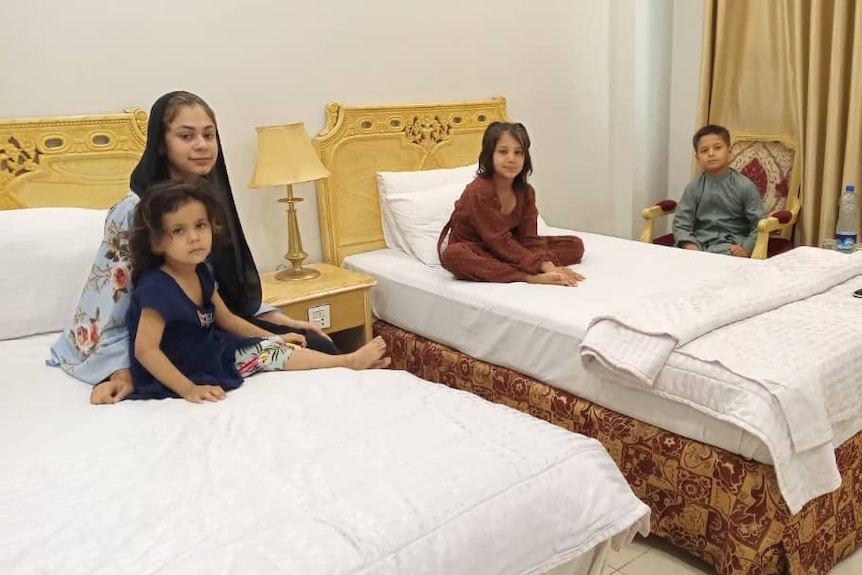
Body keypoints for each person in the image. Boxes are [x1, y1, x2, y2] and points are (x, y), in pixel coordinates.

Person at [48, 91, 338, 405]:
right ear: (161, 142)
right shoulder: (135, 211)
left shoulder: (207, 199)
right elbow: (107, 306)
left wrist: (279, 320)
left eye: (209, 135)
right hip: (168, 339)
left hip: (211, 323)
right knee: (309, 350)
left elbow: (221, 287)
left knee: (316, 341)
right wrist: (120, 370)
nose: (201, 144)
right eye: (186, 136)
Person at [126, 177, 390, 402]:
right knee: (273, 355)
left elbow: (227, 319)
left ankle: (347, 363)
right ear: (157, 242)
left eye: (200, 225)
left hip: (210, 351)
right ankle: (347, 363)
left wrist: (273, 337)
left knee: (284, 347)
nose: (194, 236)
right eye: (179, 230)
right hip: (182, 367)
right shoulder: (157, 287)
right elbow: (145, 350)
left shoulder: (201, 271)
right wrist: (189, 389)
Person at [438, 121, 585, 286]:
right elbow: (497, 241)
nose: (511, 159)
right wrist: (543, 269)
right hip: (477, 248)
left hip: (511, 245)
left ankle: (514, 262)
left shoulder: (526, 192)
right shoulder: (479, 191)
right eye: (503, 152)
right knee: (453, 256)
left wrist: (547, 264)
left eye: (518, 153)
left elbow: (530, 238)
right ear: (489, 155)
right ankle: (526, 276)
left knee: (574, 245)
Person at [673, 124, 766, 256]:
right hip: (699, 245)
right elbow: (681, 224)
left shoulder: (745, 186)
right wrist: (690, 246)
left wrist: (746, 249)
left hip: (732, 246)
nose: (711, 154)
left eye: (717, 148)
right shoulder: (693, 188)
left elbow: (759, 224)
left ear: (729, 152)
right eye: (704, 150)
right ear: (698, 158)